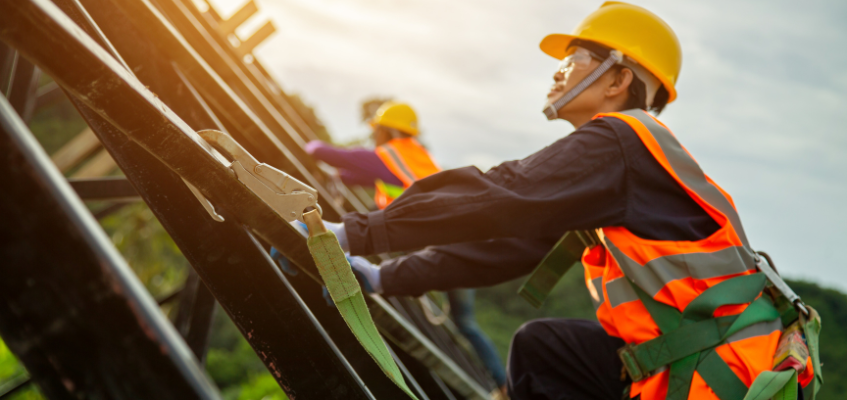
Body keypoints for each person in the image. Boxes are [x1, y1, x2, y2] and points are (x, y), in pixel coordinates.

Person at [315, 2, 817, 400]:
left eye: (573, 61)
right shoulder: (625, 169)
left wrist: (350, 234)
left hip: (716, 378)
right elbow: (505, 249)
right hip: (707, 367)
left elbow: (497, 195)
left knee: (544, 354)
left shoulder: (619, 141)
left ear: (618, 80)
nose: (558, 74)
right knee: (543, 350)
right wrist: (383, 277)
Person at [295, 101, 509, 391]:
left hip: (435, 248)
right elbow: (372, 177)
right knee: (465, 323)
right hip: (461, 243)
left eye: (377, 131)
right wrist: (339, 178)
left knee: (380, 270)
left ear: (387, 131)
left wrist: (314, 150)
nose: (374, 137)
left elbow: (320, 152)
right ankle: (504, 386)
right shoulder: (417, 157)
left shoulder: (389, 155)